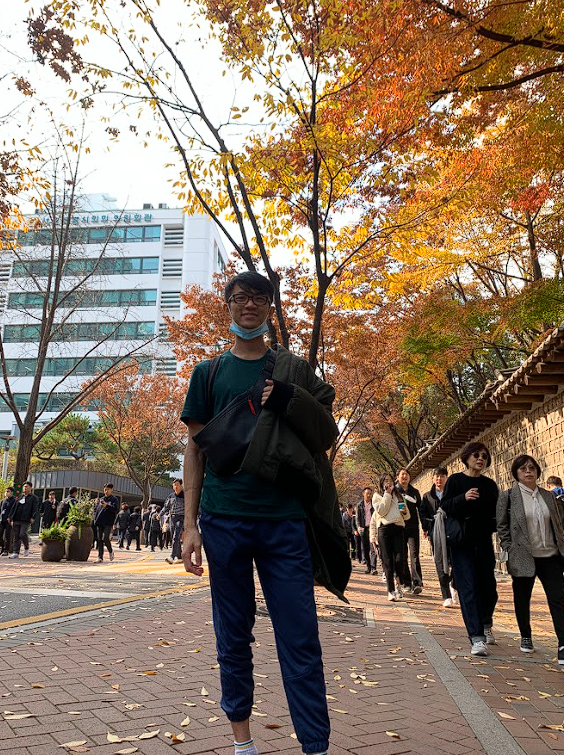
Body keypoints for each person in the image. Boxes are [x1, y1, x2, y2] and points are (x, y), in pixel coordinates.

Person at [180, 270, 349, 755]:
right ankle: (243, 743)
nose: (249, 305)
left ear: (271, 307)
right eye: (240, 297)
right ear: (228, 305)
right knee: (232, 635)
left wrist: (291, 397)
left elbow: (325, 432)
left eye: (259, 298)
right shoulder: (208, 373)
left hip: (284, 522)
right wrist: (189, 526)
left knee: (300, 636)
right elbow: (195, 449)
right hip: (223, 520)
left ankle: (315, 745)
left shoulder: (294, 369)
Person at [497, 454, 564, 663]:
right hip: (523, 555)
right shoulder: (508, 496)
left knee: (558, 599)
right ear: (516, 473)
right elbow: (502, 526)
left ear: (537, 471)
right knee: (522, 598)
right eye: (523, 468)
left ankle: (563, 643)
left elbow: (558, 523)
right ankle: (526, 635)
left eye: (532, 468)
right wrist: (508, 547)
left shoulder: (549, 496)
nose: (528, 471)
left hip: (550, 555)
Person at [440, 442, 499, 656]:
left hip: (483, 542)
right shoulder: (455, 480)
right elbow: (445, 506)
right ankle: (477, 637)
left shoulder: (489, 485)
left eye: (484, 456)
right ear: (466, 457)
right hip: (461, 542)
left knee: (489, 589)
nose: (480, 458)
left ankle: (486, 622)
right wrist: (462, 498)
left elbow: (496, 513)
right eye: (476, 455)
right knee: (468, 588)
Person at [370, 472, 410, 601]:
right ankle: (391, 590)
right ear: (381, 483)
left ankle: (398, 583)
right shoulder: (377, 496)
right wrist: (387, 494)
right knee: (387, 561)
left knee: (399, 559)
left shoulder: (398, 495)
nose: (388, 482)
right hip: (384, 529)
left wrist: (405, 512)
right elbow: (382, 511)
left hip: (398, 528)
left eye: (390, 480)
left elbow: (407, 516)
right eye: (385, 480)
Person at [420, 467, 457, 607]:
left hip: (452, 532)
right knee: (440, 562)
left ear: (446, 478)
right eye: (437, 476)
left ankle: (454, 584)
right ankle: (446, 595)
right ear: (433, 478)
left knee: (456, 561)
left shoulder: (453, 493)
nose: (439, 479)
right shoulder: (427, 496)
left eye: (442, 476)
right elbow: (423, 514)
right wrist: (428, 527)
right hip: (436, 533)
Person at [396, 469, 423, 594]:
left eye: (406, 474)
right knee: (402, 556)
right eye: (402, 475)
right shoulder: (394, 492)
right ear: (397, 477)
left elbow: (421, 510)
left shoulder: (414, 492)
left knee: (414, 555)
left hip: (413, 528)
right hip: (399, 528)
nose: (404, 476)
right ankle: (406, 582)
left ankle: (417, 582)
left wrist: (425, 526)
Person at [8, 481, 40, 558]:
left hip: (26, 519)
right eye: (24, 487)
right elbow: (14, 508)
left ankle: (26, 547)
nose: (25, 488)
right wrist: (10, 517)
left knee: (22, 534)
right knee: (16, 536)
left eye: (26, 487)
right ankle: (16, 552)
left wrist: (33, 517)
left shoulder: (34, 498)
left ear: (30, 488)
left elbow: (35, 509)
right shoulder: (19, 497)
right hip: (17, 519)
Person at [93, 483, 119, 563]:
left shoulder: (114, 499)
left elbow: (115, 509)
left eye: (108, 489)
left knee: (105, 538)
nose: (106, 491)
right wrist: (95, 519)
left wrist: (107, 505)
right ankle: (100, 557)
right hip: (99, 521)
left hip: (108, 522)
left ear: (111, 490)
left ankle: (110, 551)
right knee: (99, 539)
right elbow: (96, 510)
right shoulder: (101, 499)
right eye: (105, 489)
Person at [163, 478, 185, 564]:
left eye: (177, 485)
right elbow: (166, 507)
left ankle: (172, 556)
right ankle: (179, 557)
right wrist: (160, 514)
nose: (176, 486)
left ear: (181, 485)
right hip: (172, 518)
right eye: (174, 485)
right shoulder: (171, 496)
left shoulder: (185, 495)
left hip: (181, 518)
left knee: (176, 536)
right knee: (175, 537)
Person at [356, 487, 377, 574]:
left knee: (373, 548)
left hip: (372, 528)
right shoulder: (359, 505)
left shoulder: (374, 504)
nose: (368, 495)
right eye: (367, 493)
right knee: (365, 548)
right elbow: (357, 518)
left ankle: (373, 568)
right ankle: (368, 566)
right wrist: (358, 527)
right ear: (363, 494)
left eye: (370, 493)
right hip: (363, 529)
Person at [0, 486, 16, 556]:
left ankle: (6, 550)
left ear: (11, 492)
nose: (6, 493)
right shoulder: (3, 501)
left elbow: (14, 511)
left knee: (7, 536)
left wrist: (11, 518)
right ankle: (2, 547)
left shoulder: (14, 501)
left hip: (8, 521)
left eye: (8, 491)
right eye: (6, 491)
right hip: (2, 520)